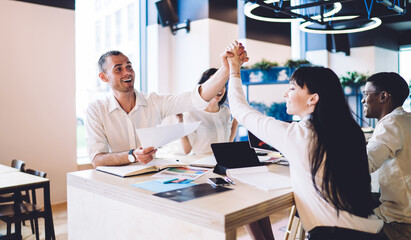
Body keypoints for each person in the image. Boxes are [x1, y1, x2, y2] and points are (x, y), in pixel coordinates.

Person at [224, 41, 385, 240]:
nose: (285, 94)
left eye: (292, 88)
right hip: (372, 231)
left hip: (334, 235)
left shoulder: (298, 135)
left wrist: (234, 70)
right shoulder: (350, 132)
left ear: (313, 98)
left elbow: (240, 110)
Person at [86, 49, 248, 167]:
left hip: (152, 175)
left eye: (129, 66)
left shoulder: (154, 101)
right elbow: (97, 158)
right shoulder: (96, 110)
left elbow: (193, 98)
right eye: (118, 69)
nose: (127, 72)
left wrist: (227, 70)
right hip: (115, 182)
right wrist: (132, 156)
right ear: (103, 77)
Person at [361, 72, 411, 240]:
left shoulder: (391, 124)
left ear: (383, 96)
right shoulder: (405, 119)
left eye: (366, 94)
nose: (363, 100)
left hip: (400, 222)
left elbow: (362, 165)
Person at [176, 68, 238, 155]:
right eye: (215, 84)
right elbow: (187, 150)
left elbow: (228, 142)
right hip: (202, 165)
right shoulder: (192, 114)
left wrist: (237, 117)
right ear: (203, 87)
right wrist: (180, 121)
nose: (219, 88)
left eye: (222, 84)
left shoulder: (225, 111)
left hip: (223, 162)